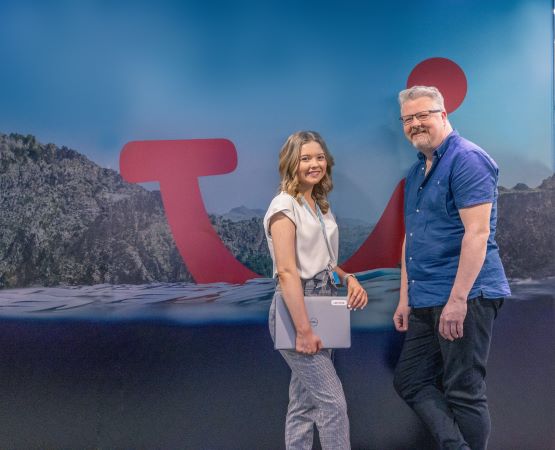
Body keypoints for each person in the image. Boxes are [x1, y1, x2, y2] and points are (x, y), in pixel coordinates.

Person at [392, 86, 511, 450]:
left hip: (466, 296)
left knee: (463, 390)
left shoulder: (467, 159)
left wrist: (457, 300)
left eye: (423, 115)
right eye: (408, 119)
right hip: (426, 298)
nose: (415, 124)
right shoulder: (417, 171)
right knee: (411, 379)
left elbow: (477, 234)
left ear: (444, 115)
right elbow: (411, 239)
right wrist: (404, 297)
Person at [264, 130, 368, 449]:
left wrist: (348, 277)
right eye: (305, 158)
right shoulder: (284, 206)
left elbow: (321, 261)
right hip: (298, 309)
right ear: (291, 163)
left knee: (303, 404)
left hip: (323, 301)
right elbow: (286, 270)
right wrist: (303, 330)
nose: (314, 164)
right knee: (332, 404)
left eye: (319, 157)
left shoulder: (319, 204)